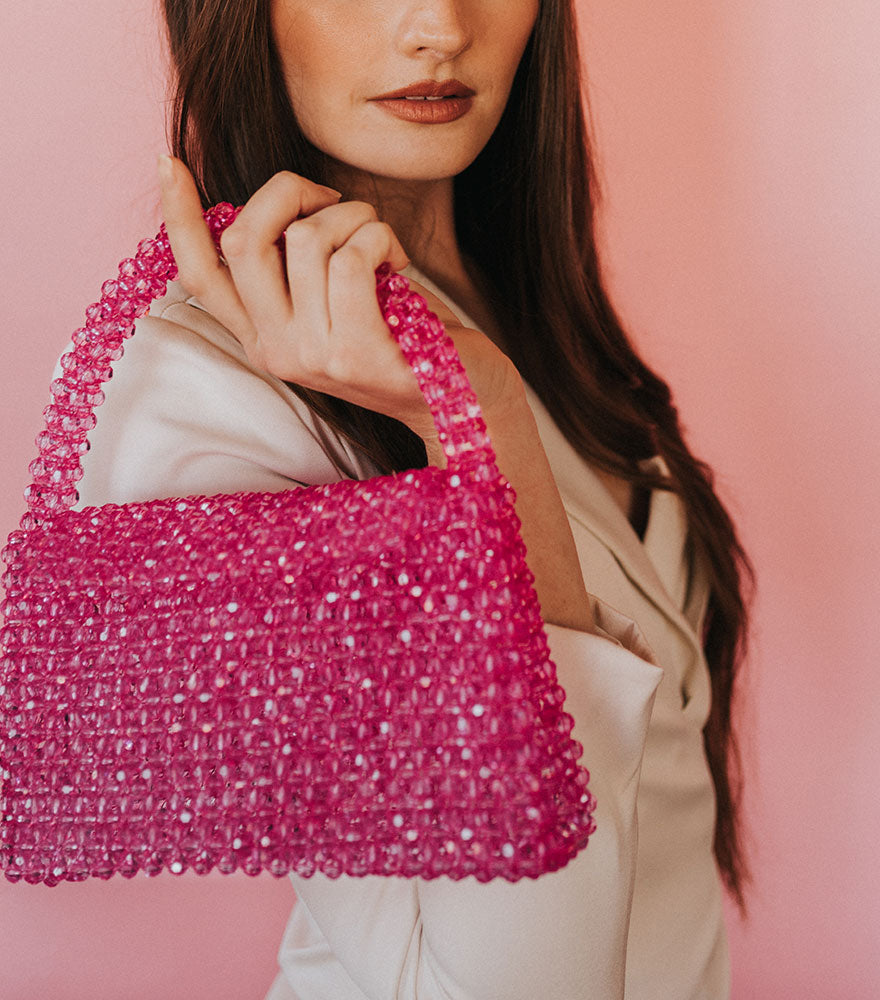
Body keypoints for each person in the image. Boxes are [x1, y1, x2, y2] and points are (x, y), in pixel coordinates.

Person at [72, 1, 753, 996]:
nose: (438, 24)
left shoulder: (506, 296)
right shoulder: (197, 401)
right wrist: (479, 437)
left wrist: (484, 397)